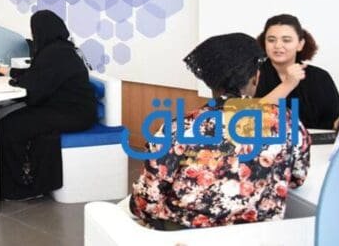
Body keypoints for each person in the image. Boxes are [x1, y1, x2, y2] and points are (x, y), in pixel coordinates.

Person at [130, 33, 311, 230]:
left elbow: (146, 202)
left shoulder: (178, 128)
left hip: (187, 237)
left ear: (210, 83)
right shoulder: (287, 122)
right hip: (259, 237)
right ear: (255, 78)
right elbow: (297, 177)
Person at [0, 9, 97, 201]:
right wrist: (6, 71)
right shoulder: (60, 49)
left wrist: (14, 81)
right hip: (70, 109)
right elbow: (38, 75)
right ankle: (20, 180)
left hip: (74, 114)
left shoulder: (56, 53)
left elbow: (35, 85)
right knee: (13, 121)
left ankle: (17, 187)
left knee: (9, 128)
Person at [256, 14, 339, 129]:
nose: (278, 45)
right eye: (271, 40)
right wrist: (288, 84)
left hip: (320, 141)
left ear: (300, 44)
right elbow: (248, 120)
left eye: (286, 40)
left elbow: (335, 120)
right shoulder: (253, 75)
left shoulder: (320, 77)